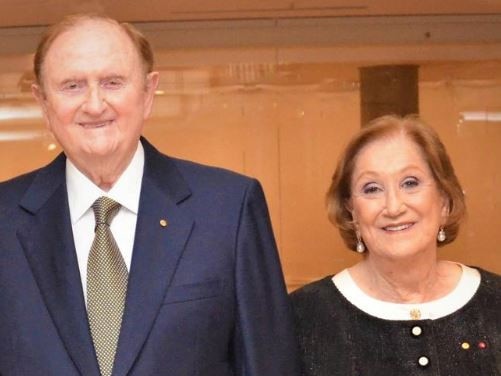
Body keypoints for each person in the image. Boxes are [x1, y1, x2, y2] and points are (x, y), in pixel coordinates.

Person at [0, 14, 299, 376]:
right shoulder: (5, 219)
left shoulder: (228, 209)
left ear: (147, 93)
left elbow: (269, 365)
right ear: (43, 102)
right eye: (72, 86)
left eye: (113, 82)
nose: (94, 105)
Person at [290, 115, 501, 376]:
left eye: (410, 183)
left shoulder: (495, 303)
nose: (393, 207)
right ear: (352, 211)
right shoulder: (302, 318)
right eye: (372, 189)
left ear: (444, 200)